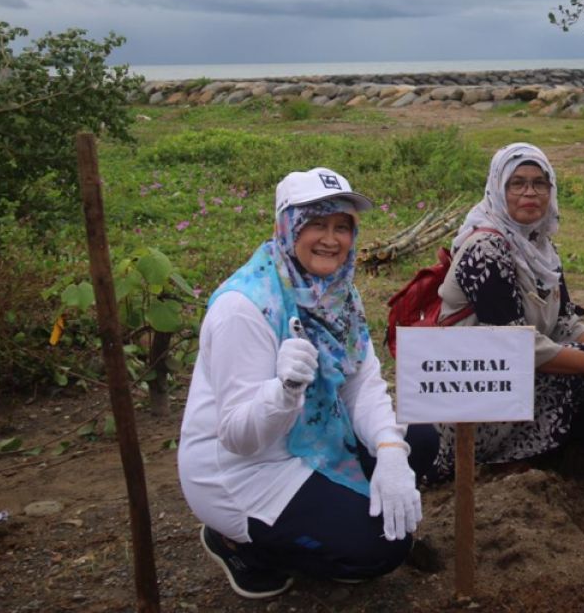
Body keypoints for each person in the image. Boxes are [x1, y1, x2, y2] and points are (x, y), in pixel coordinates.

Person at [179, 167, 438, 599]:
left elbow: (361, 384)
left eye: (342, 226)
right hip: (248, 469)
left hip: (317, 437)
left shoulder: (338, 295)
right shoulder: (245, 308)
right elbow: (239, 437)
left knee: (420, 441)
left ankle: (329, 516)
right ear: (287, 226)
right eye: (315, 224)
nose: (330, 239)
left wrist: (391, 452)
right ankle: (238, 544)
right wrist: (283, 392)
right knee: (383, 549)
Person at [429, 142, 584, 478]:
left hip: (511, 376)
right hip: (473, 391)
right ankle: (501, 467)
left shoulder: (539, 247)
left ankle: (557, 466)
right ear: (499, 189)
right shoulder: (486, 249)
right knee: (579, 380)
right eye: (517, 184)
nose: (530, 193)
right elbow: (514, 343)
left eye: (539, 183)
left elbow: (564, 323)